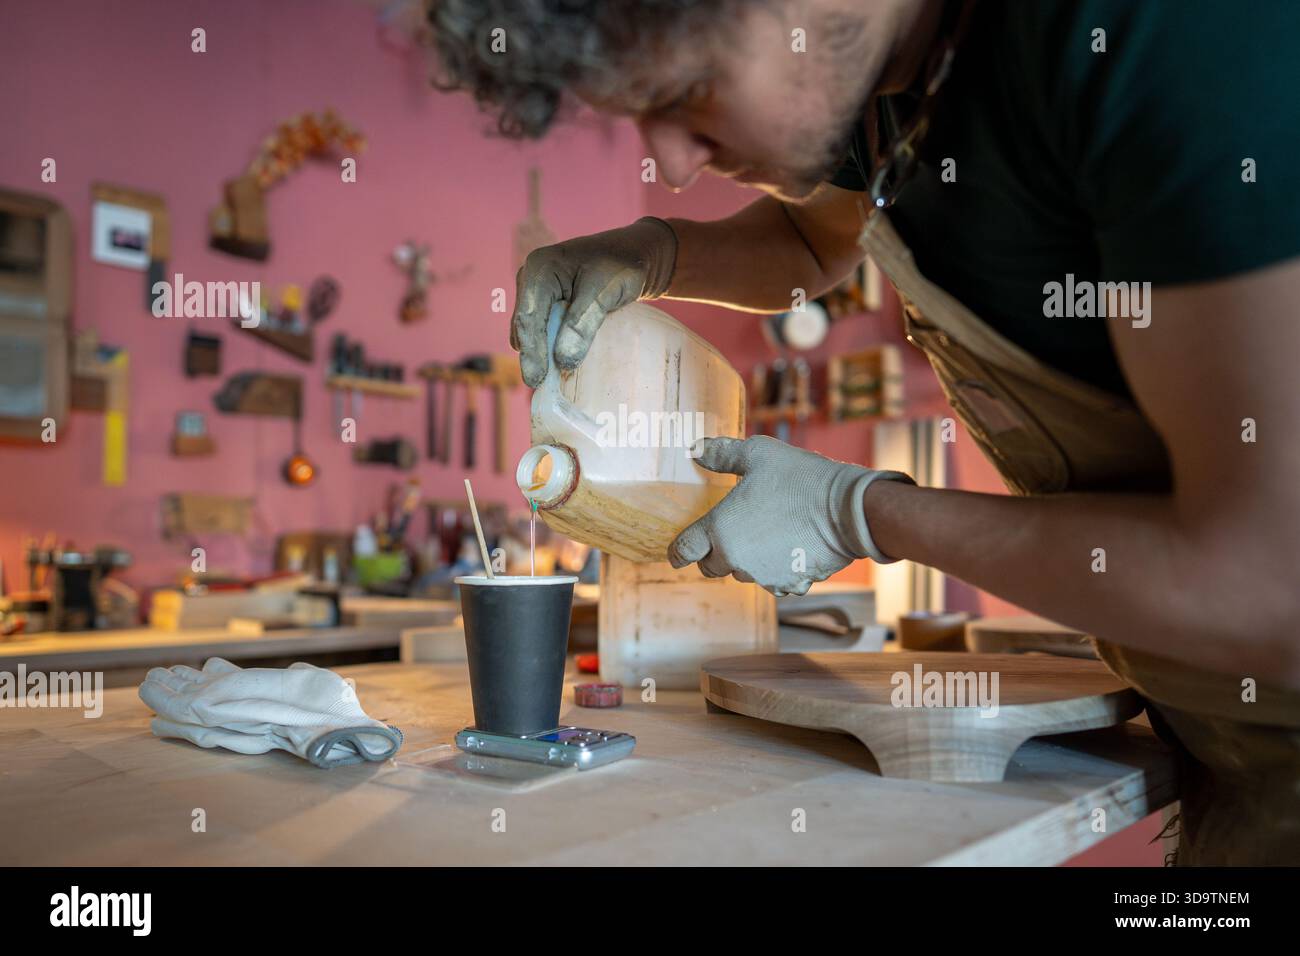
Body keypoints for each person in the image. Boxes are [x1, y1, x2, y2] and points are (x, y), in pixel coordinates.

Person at [428, 0, 1300, 863]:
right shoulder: (881, 77)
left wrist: (862, 512)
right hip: (1221, 751)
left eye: (691, 88)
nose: (673, 163)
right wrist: (652, 252)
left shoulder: (1164, 39)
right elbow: (817, 242)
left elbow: (1271, 586)